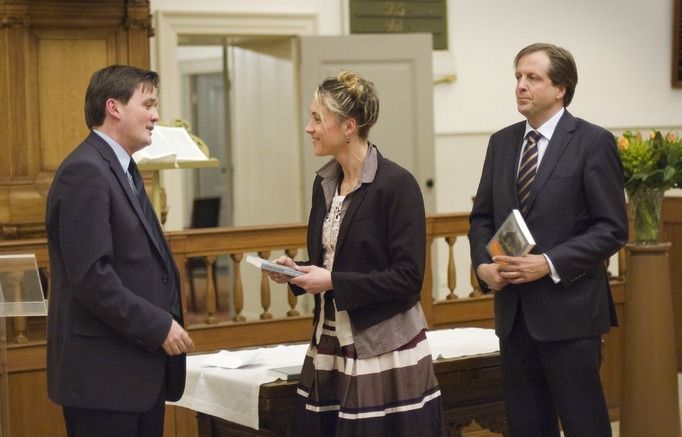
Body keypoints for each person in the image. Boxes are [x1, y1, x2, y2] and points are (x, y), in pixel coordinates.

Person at [267, 71, 445, 436]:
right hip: (330, 339)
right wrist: (296, 272)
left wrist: (331, 280)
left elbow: (408, 279)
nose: (308, 127)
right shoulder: (325, 183)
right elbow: (333, 261)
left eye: (317, 118)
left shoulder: (396, 185)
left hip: (381, 345)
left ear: (348, 126)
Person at [468, 43, 628, 437]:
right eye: (518, 77)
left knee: (584, 425)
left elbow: (612, 228)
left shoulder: (592, 142)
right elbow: (482, 218)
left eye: (532, 78)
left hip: (570, 314)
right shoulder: (502, 143)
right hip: (514, 315)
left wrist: (549, 263)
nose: (521, 86)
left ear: (561, 89)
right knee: (526, 426)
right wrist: (484, 268)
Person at [45, 64, 195, 437]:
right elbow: (92, 278)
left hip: (135, 373)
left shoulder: (122, 168)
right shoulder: (85, 171)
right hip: (104, 380)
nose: (155, 116)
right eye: (148, 104)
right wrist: (158, 325)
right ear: (114, 107)